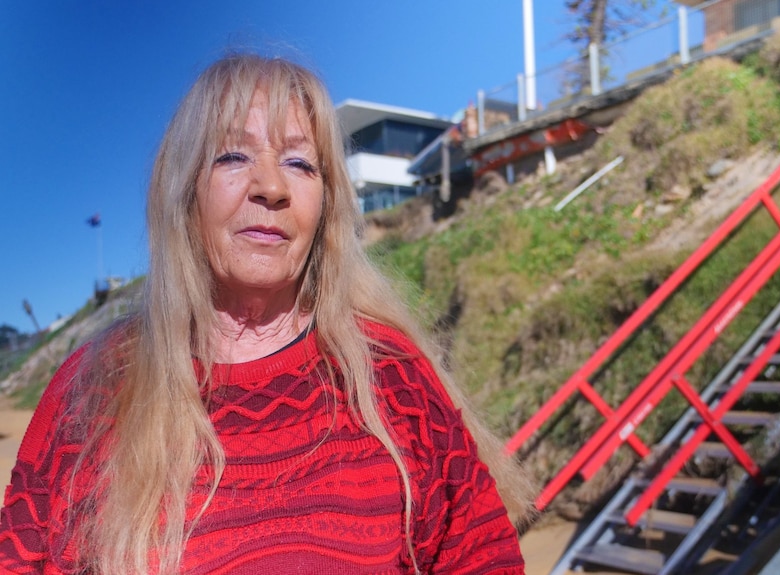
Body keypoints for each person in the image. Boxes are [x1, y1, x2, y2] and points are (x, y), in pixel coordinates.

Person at [0, 54, 533, 574]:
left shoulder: (392, 380)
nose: (272, 188)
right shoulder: (93, 391)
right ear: (184, 189)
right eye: (233, 156)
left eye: (301, 163)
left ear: (325, 205)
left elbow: (485, 557)